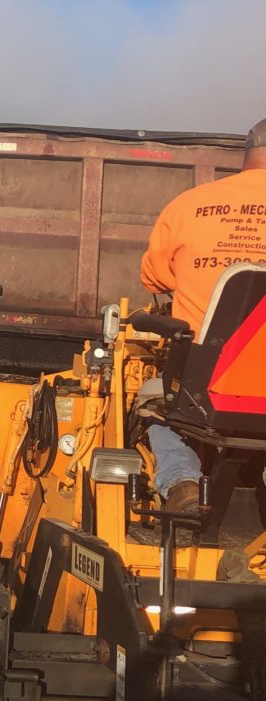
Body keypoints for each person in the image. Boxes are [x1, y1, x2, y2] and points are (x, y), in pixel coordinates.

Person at [140, 116, 266, 513]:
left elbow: (155, 278)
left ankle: (183, 482)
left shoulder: (189, 205)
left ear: (247, 155)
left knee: (155, 401)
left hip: (207, 385)